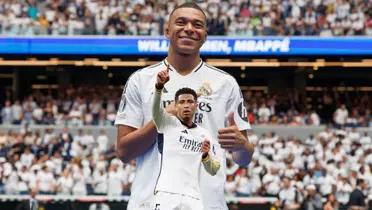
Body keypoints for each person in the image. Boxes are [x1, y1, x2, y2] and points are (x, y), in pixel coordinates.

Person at [115, 2, 254, 210]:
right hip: (151, 204)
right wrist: (162, 120)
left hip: (208, 205)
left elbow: (243, 159)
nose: (189, 28)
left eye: (197, 25)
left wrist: (243, 145)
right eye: (181, 22)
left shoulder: (226, 84)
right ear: (167, 30)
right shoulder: (141, 80)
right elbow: (124, 152)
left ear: (205, 35)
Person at [152, 68, 220, 209]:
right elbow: (155, 111)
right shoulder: (167, 123)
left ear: (196, 105)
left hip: (193, 198)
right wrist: (159, 87)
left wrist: (206, 155)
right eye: (181, 102)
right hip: (166, 194)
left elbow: (213, 170)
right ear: (175, 106)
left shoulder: (205, 134)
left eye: (190, 102)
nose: (186, 105)